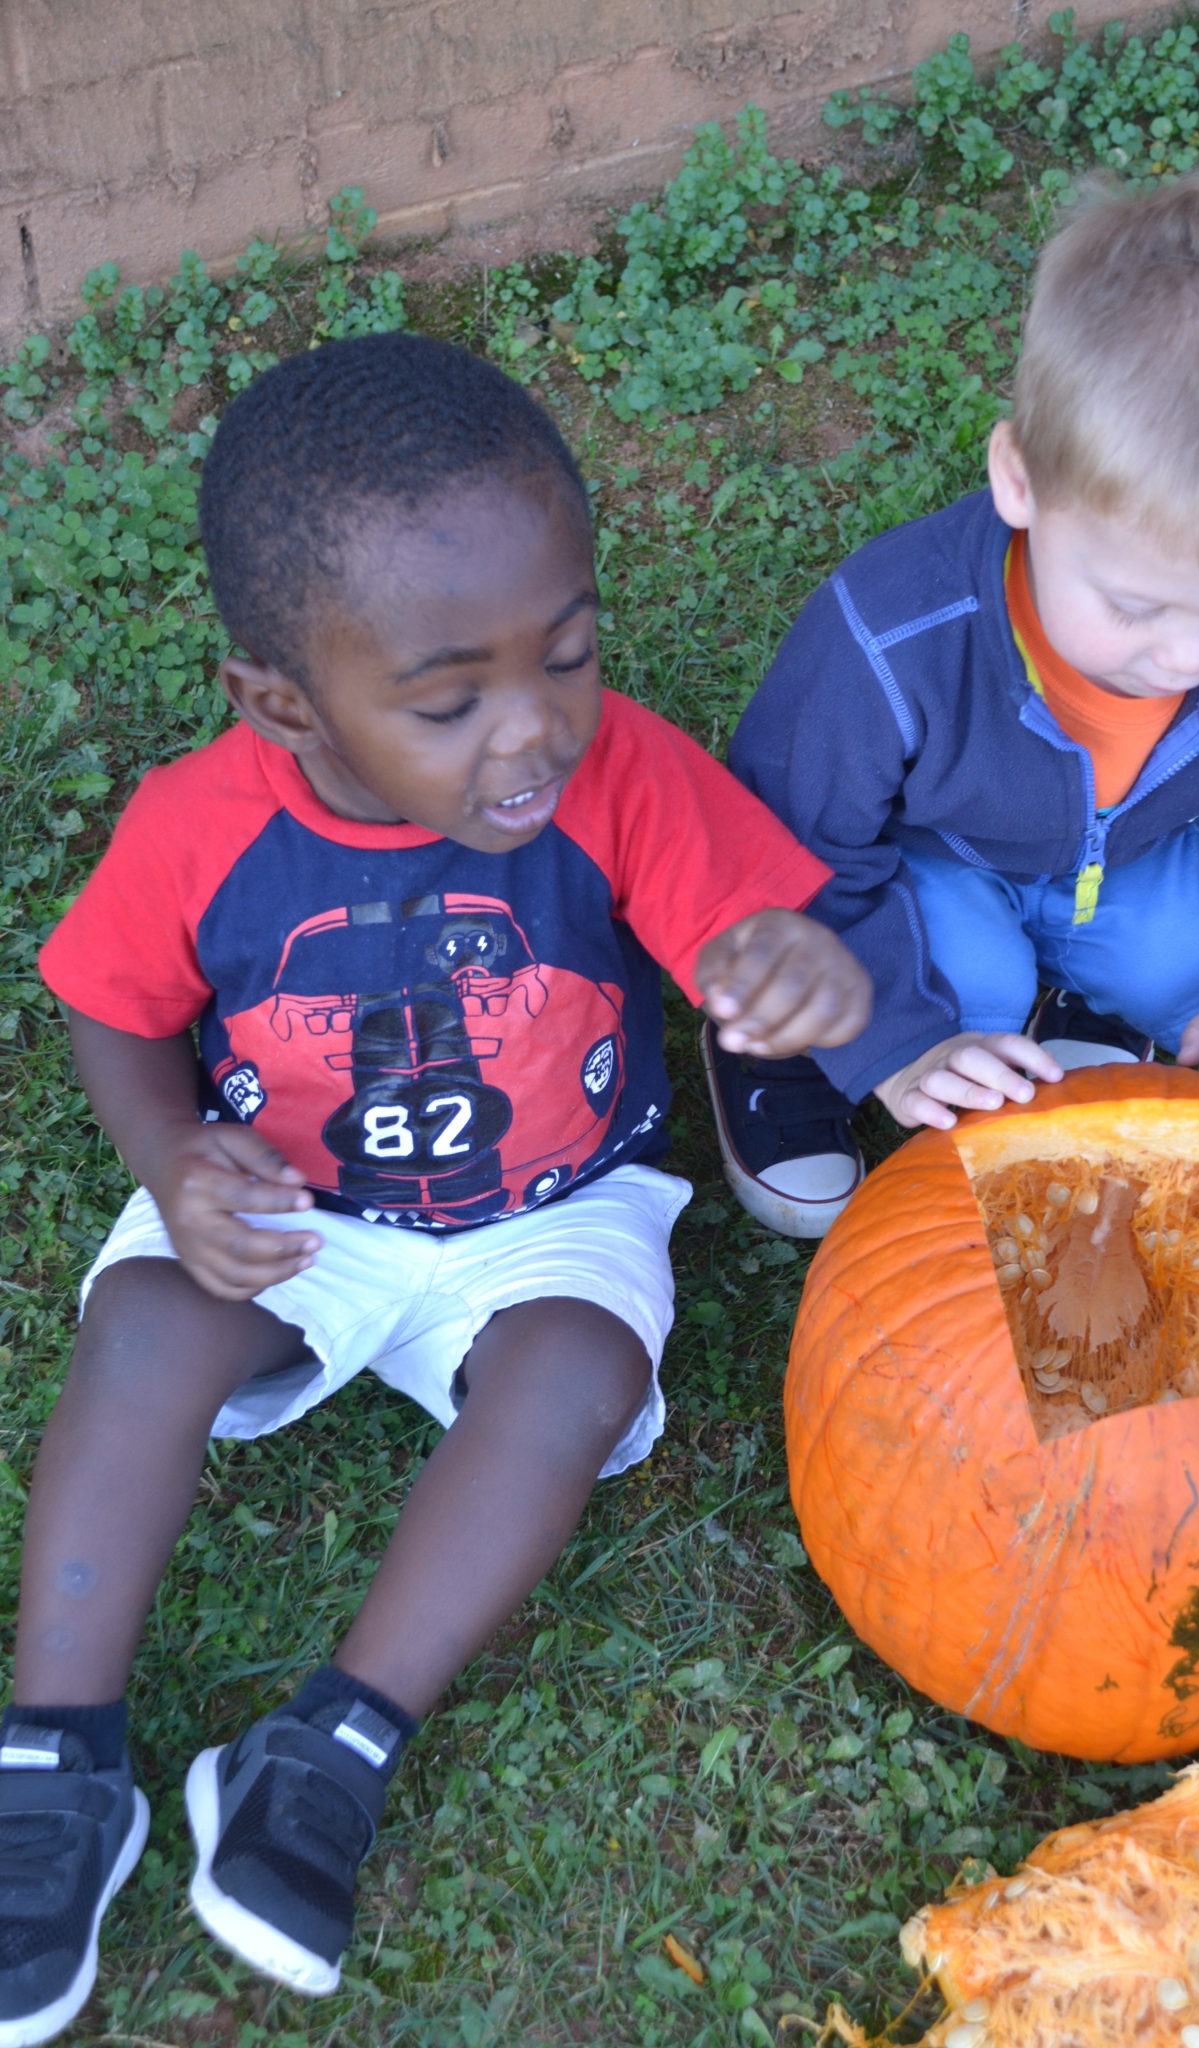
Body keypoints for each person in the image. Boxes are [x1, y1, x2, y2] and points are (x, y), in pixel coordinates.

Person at [1, 333, 870, 2044]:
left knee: (579, 1372)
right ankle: (53, 1755)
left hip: (554, 1204)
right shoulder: (196, 826)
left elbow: (741, 925)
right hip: (292, 1199)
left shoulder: (621, 772)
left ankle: (334, 1738)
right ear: (285, 703)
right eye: (449, 698)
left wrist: (788, 966)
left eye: (570, 650)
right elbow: (112, 1003)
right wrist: (171, 1158)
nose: (535, 726)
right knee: (145, 1328)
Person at [704, 174, 1199, 1236]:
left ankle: (1080, 1006)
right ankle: (779, 1045)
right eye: (1136, 605)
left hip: (1127, 855)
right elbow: (790, 849)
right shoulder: (891, 641)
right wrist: (900, 1046)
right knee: (965, 989)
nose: (1188, 655)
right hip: (928, 862)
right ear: (1020, 480)